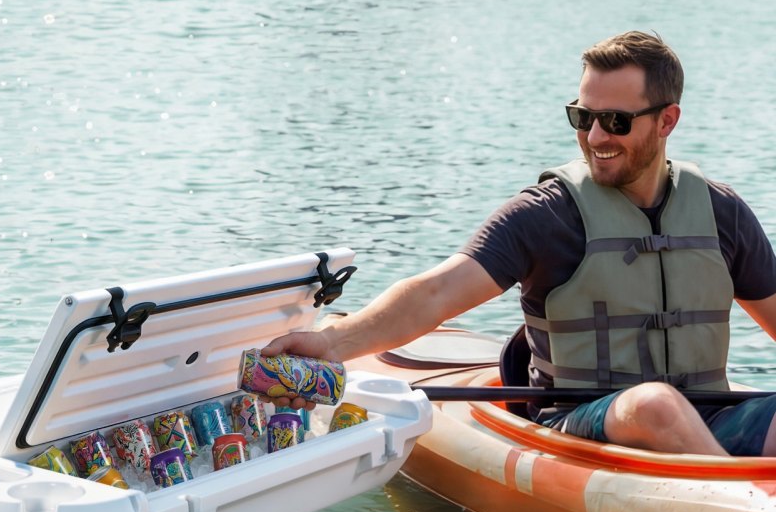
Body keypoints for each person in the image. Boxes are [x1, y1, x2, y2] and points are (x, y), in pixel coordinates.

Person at [264, 31, 776, 457]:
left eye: (616, 121)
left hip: (713, 418)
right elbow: (436, 293)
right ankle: (740, 510)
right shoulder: (546, 215)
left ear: (667, 121)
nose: (596, 136)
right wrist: (332, 344)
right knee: (654, 405)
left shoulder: (721, 212)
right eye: (583, 117)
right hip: (581, 424)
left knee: (672, 407)